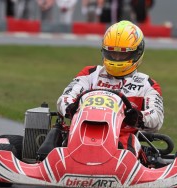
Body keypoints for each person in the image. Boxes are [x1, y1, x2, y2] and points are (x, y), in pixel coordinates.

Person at [57, 20, 164, 165]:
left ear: (137, 53)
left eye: (123, 55)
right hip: (83, 131)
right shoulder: (90, 74)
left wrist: (138, 117)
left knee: (128, 144)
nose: (117, 59)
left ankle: (120, 166)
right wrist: (70, 107)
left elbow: (156, 117)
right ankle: (65, 160)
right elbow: (66, 97)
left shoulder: (147, 84)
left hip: (121, 136)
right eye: (112, 54)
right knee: (60, 138)